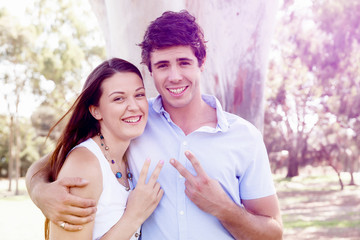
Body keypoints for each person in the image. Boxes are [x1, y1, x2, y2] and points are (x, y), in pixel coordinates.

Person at [26, 10, 283, 239]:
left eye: (184, 62)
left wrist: (224, 208)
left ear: (201, 63)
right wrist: (39, 191)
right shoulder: (132, 120)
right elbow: (64, 157)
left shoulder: (244, 136)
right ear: (150, 71)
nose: (174, 76)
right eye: (162, 65)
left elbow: (273, 233)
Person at [33, 58, 164, 240]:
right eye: (119, 98)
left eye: (139, 95)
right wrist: (133, 217)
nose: (134, 106)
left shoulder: (128, 148)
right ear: (96, 111)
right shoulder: (85, 166)